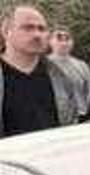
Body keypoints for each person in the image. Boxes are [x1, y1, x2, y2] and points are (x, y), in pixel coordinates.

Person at [0, 5, 76, 138]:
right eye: (28, 28)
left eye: (42, 29)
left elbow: (71, 122)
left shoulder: (60, 76)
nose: (37, 34)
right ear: (6, 31)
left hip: (53, 155)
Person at [46, 27, 90, 118]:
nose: (64, 43)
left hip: (82, 116)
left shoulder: (82, 65)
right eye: (59, 38)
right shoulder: (43, 65)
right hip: (55, 119)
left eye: (67, 38)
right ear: (50, 41)